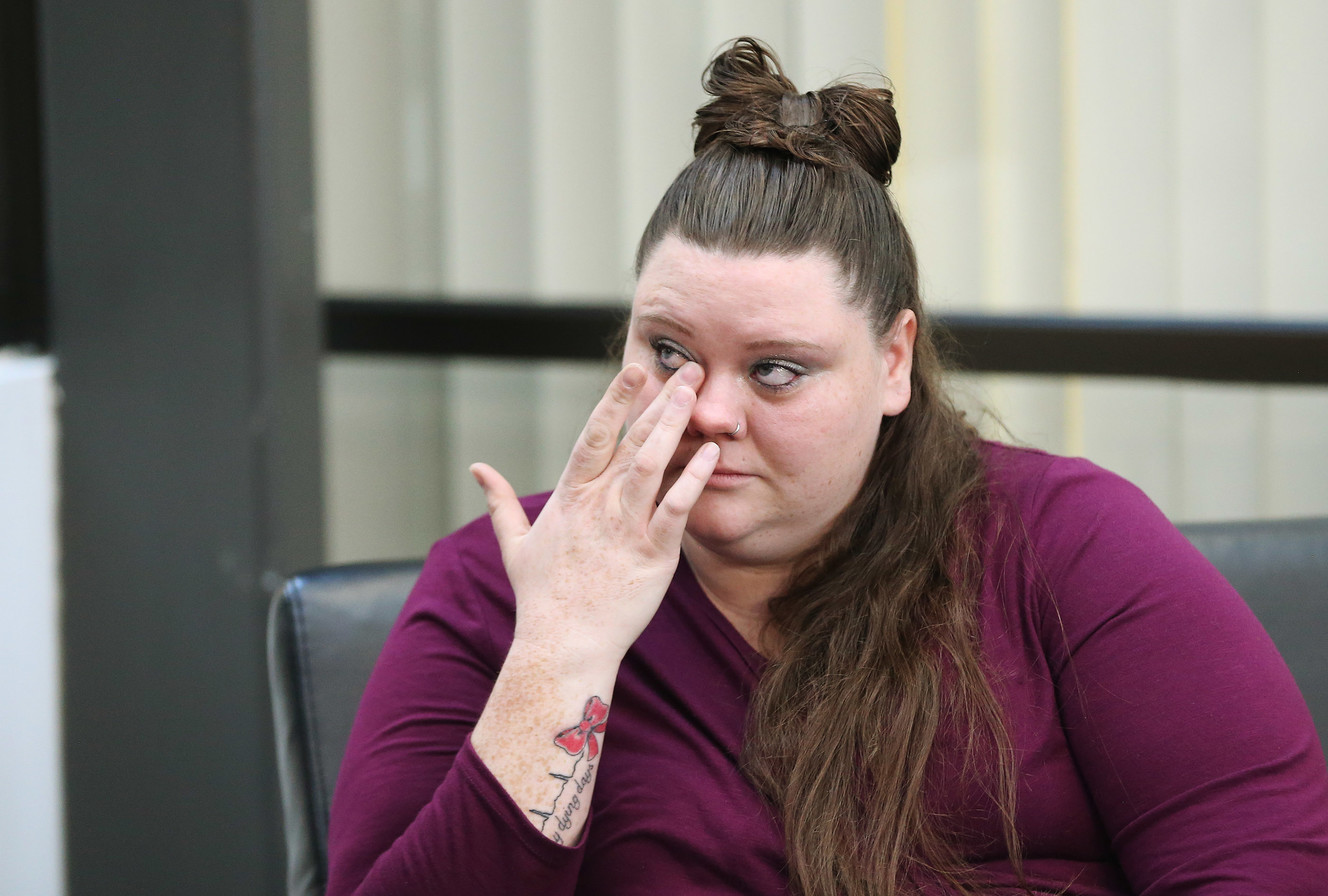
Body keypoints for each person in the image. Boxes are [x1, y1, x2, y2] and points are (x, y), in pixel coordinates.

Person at [325, 38, 1328, 896]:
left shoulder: (1064, 544)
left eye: (774, 370)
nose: (706, 411)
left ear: (890, 362)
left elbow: (1261, 865)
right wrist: (560, 653)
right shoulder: (496, 588)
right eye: (667, 350)